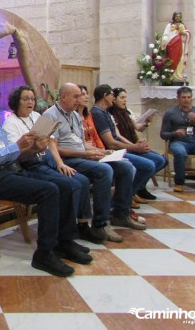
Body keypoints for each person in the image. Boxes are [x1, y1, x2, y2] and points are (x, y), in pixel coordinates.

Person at [0, 82, 93, 278]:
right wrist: (18, 145)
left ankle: (64, 242)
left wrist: (31, 149)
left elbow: (8, 153)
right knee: (49, 190)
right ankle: (44, 254)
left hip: (10, 170)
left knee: (65, 185)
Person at [3, 86, 104, 244]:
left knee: (82, 180)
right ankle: (66, 235)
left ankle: (81, 226)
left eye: (32, 98)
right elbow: (16, 152)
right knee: (70, 184)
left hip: (47, 159)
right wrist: (34, 146)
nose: (30, 102)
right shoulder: (11, 123)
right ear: (16, 102)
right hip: (30, 164)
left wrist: (58, 162)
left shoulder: (36, 116)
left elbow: (50, 141)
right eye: (25, 99)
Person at [43, 83, 145, 242]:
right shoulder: (49, 115)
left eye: (80, 96)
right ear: (63, 97)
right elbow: (50, 146)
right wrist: (83, 154)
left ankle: (121, 214)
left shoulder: (75, 115)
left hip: (81, 155)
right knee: (104, 171)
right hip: (68, 159)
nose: (79, 99)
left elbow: (81, 142)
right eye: (75, 96)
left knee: (125, 166)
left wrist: (98, 152)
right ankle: (100, 223)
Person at [77, 85, 146, 225]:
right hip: (83, 154)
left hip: (97, 151)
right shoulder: (87, 114)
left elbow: (96, 138)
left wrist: (102, 150)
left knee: (127, 167)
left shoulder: (88, 115)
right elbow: (79, 143)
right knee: (113, 169)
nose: (85, 97)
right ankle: (103, 218)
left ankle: (121, 212)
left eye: (86, 94)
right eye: (81, 94)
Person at [90, 84, 159, 209]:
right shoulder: (97, 113)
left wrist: (134, 145)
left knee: (156, 160)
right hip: (112, 151)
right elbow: (111, 143)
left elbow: (117, 135)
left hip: (120, 147)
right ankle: (121, 198)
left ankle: (128, 194)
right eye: (112, 95)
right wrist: (134, 148)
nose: (113, 98)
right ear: (105, 96)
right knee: (147, 165)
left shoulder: (104, 112)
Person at [110, 87, 167, 200]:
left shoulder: (128, 111)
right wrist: (134, 146)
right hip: (123, 147)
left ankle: (140, 187)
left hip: (133, 145)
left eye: (126, 97)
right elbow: (117, 136)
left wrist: (147, 122)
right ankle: (130, 193)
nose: (125, 100)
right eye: (122, 98)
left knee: (162, 160)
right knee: (151, 163)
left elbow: (138, 128)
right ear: (114, 99)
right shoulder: (110, 113)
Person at [160, 86, 195, 193]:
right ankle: (179, 183)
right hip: (179, 142)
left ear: (192, 98)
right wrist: (174, 133)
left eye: (189, 97)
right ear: (178, 98)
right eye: (183, 97)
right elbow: (163, 134)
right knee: (180, 152)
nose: (186, 100)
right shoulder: (170, 113)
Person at [161, 11, 191, 82]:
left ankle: (179, 76)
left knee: (181, 59)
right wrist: (164, 40)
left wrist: (184, 33)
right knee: (172, 60)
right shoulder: (169, 25)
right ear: (174, 17)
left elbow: (187, 34)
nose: (178, 18)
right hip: (172, 46)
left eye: (179, 16)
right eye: (176, 16)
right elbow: (166, 34)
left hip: (180, 46)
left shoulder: (182, 25)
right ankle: (171, 77)